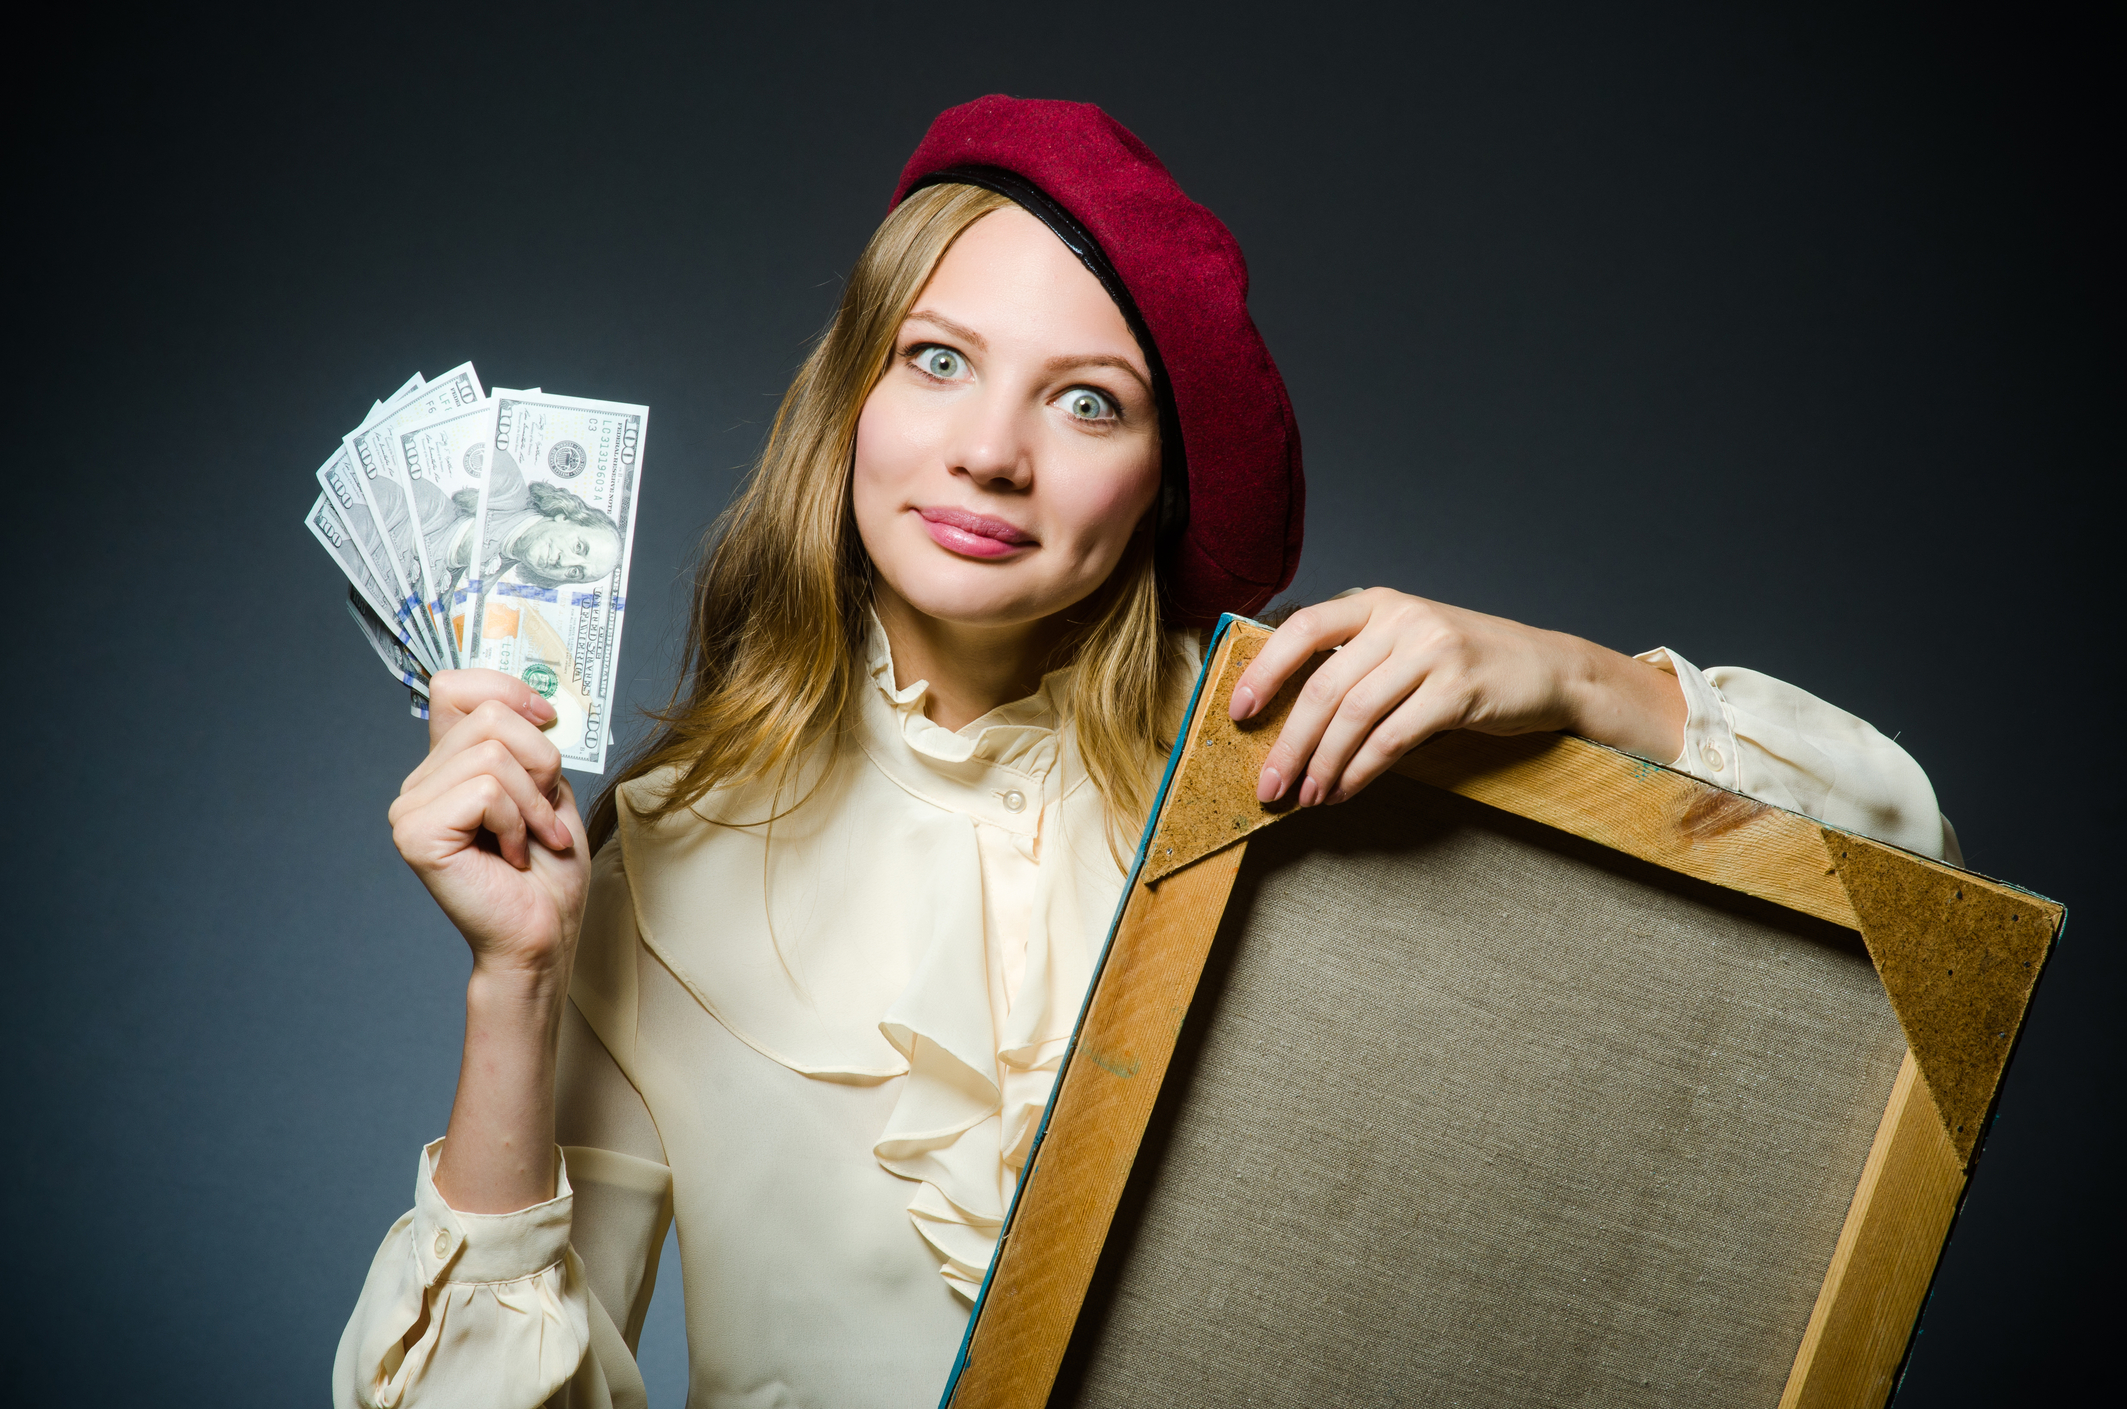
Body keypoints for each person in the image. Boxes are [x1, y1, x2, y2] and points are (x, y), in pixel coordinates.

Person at [334, 97, 1955, 1409]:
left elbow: (1911, 920)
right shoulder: (661, 852)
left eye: (1090, 404)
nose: (991, 448)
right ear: (851, 399)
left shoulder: (1296, 757)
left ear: (1160, 492)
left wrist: (1583, 683)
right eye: (939, 358)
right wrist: (513, 983)